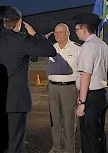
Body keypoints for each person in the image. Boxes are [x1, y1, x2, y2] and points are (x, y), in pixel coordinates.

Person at [0, 6, 56, 152]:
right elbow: (50, 50)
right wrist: (35, 34)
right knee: (16, 141)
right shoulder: (23, 40)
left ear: (4, 23)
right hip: (17, 100)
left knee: (2, 139)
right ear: (19, 23)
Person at [73, 13, 108, 153]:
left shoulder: (88, 47)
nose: (75, 32)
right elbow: (105, 71)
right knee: (99, 135)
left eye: (76, 29)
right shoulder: (103, 45)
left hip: (92, 96)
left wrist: (81, 103)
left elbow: (85, 76)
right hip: (102, 94)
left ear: (84, 29)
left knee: (89, 137)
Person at [45, 23, 81, 153]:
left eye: (61, 32)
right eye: (55, 32)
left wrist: (80, 92)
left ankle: (69, 149)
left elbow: (82, 72)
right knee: (55, 120)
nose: (57, 35)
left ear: (68, 33)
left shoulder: (77, 49)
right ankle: (56, 148)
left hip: (69, 89)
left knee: (68, 121)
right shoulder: (52, 48)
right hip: (52, 88)